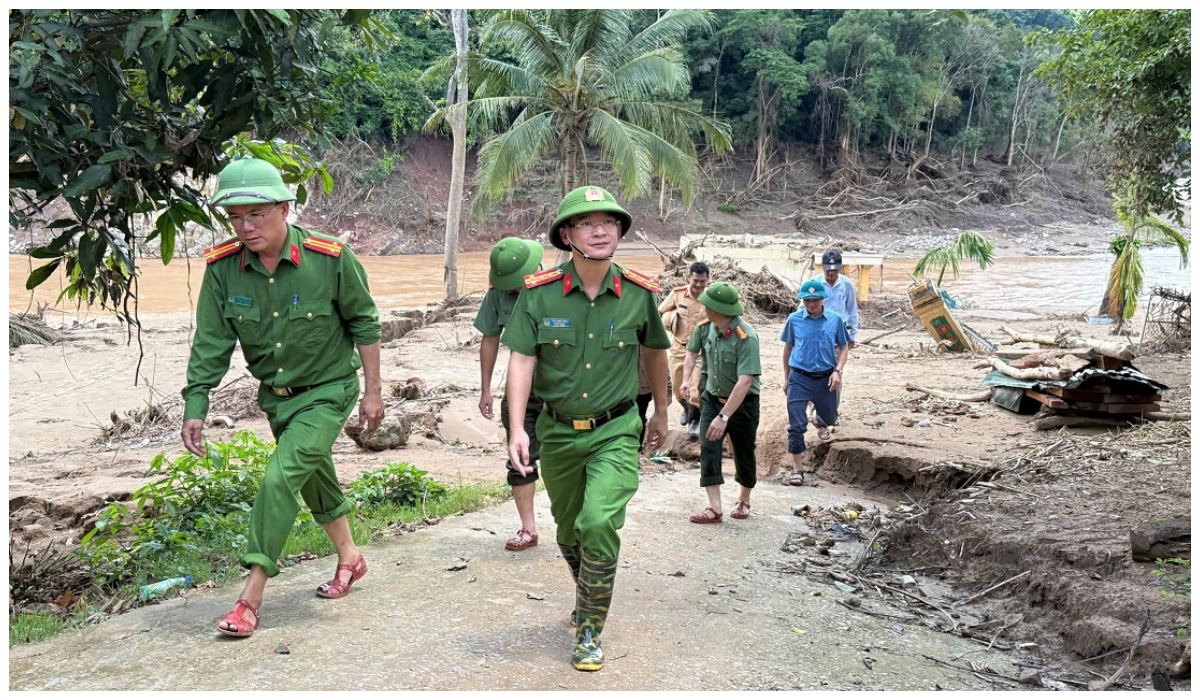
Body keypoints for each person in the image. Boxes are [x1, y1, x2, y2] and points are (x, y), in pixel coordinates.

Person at [180, 158, 384, 638]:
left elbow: (365, 325)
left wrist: (373, 393)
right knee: (314, 479)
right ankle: (351, 560)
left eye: (257, 214)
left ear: (285, 208)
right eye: (235, 217)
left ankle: (250, 596)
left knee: (279, 478)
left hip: (330, 390)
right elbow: (211, 343)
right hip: (276, 398)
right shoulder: (223, 270)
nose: (245, 227)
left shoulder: (330, 258)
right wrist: (196, 404)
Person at [502, 185, 671, 672]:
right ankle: (588, 593)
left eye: (610, 222)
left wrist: (661, 409)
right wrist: (517, 427)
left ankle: (591, 627)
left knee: (599, 522)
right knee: (569, 529)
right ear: (567, 234)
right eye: (587, 223)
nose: (600, 230)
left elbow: (655, 353)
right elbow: (522, 361)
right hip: (556, 433)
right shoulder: (539, 295)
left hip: (615, 428)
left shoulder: (638, 294)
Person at [474, 237, 545, 551]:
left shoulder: (559, 288)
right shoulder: (497, 294)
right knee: (521, 459)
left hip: (565, 391)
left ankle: (578, 523)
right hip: (523, 393)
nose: (514, 290)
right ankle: (528, 529)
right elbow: (490, 339)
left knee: (570, 458)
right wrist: (486, 389)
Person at [680, 282, 761, 524]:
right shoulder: (705, 329)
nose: (703, 308)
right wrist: (685, 380)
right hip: (712, 398)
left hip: (743, 403)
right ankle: (714, 507)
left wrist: (724, 416)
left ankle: (744, 499)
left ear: (716, 309)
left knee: (743, 450)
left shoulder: (746, 338)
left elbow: (745, 381)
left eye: (707, 305)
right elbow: (691, 354)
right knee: (708, 447)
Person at [780, 280, 849, 487]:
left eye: (815, 300)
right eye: (807, 300)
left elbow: (844, 348)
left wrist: (838, 371)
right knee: (796, 425)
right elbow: (787, 349)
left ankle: (819, 420)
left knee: (829, 417)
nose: (811, 304)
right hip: (799, 378)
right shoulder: (794, 320)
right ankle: (797, 469)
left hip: (825, 378)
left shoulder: (835, 320)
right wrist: (786, 378)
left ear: (823, 299)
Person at [804, 250, 858, 438]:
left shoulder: (847, 285)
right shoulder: (815, 284)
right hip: (816, 334)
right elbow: (802, 309)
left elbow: (852, 311)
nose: (831, 273)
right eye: (828, 270)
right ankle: (813, 409)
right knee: (813, 371)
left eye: (835, 270)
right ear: (823, 268)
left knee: (835, 372)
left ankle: (829, 413)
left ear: (840, 269)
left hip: (838, 334)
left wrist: (852, 334)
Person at [658, 263, 711, 438]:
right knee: (677, 389)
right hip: (679, 350)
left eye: (702, 281)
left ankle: (694, 420)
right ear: (689, 278)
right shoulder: (678, 294)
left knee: (695, 388)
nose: (698, 285)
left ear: (707, 280)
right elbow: (659, 312)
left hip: (700, 353)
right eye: (695, 281)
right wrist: (669, 322)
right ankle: (687, 410)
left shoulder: (710, 298)